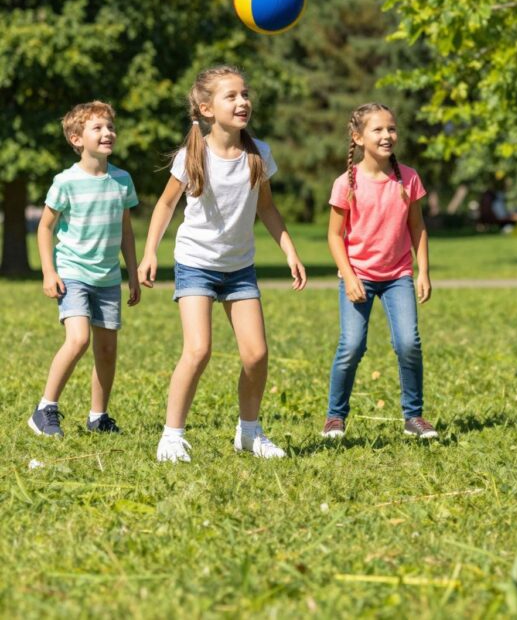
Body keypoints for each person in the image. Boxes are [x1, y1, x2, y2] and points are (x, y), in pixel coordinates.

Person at [138, 66, 307, 463]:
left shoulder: (258, 153)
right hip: (196, 263)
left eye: (244, 94)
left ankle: (249, 433)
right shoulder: (193, 155)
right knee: (198, 350)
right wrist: (150, 252)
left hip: (239, 268)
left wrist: (289, 250)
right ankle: (171, 436)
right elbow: (165, 204)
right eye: (231, 96)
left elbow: (267, 208)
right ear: (206, 108)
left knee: (256, 355)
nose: (242, 101)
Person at [321, 103, 436, 440]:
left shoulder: (408, 178)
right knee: (352, 346)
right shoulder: (346, 183)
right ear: (358, 137)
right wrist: (349, 275)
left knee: (408, 343)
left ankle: (414, 416)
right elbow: (334, 236)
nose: (387, 135)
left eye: (391, 129)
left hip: (398, 275)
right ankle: (335, 417)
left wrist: (423, 271)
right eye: (378, 130)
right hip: (358, 276)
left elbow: (418, 227)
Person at [29, 102, 139, 437]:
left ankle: (98, 417)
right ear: (77, 139)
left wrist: (133, 273)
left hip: (108, 278)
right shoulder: (65, 181)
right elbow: (45, 227)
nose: (108, 133)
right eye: (98, 128)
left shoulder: (122, 180)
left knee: (106, 350)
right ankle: (45, 409)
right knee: (78, 339)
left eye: (110, 127)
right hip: (73, 273)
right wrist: (49, 271)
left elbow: (126, 231)